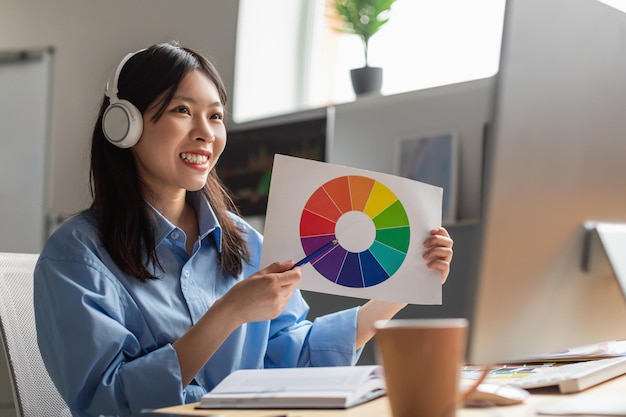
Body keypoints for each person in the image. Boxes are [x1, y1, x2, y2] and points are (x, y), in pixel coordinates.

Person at [34, 41, 454, 417]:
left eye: (215, 116)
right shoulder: (76, 255)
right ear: (125, 125)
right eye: (183, 110)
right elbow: (105, 403)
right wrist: (230, 312)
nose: (206, 134)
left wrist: (398, 291)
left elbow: (293, 357)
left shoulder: (244, 241)